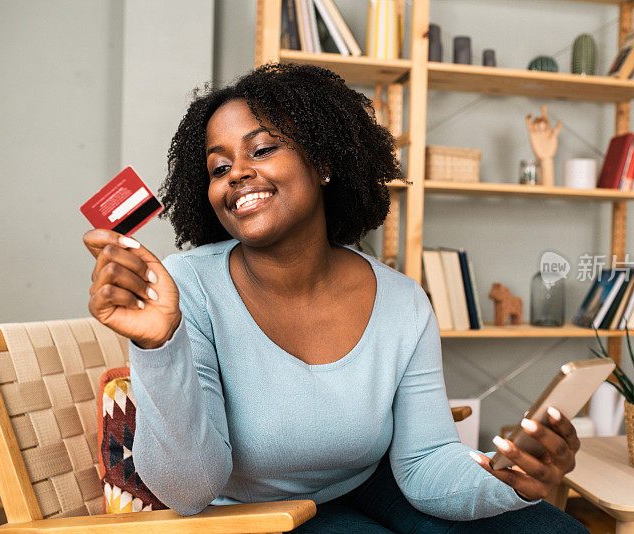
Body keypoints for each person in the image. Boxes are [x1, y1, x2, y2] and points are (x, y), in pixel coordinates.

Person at [83, 62, 588, 533]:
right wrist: (159, 347)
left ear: (323, 162)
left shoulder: (402, 301)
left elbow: (424, 462)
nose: (236, 173)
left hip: (370, 486)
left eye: (262, 150)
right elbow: (188, 492)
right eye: (218, 168)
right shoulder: (186, 286)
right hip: (253, 516)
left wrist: (504, 484)